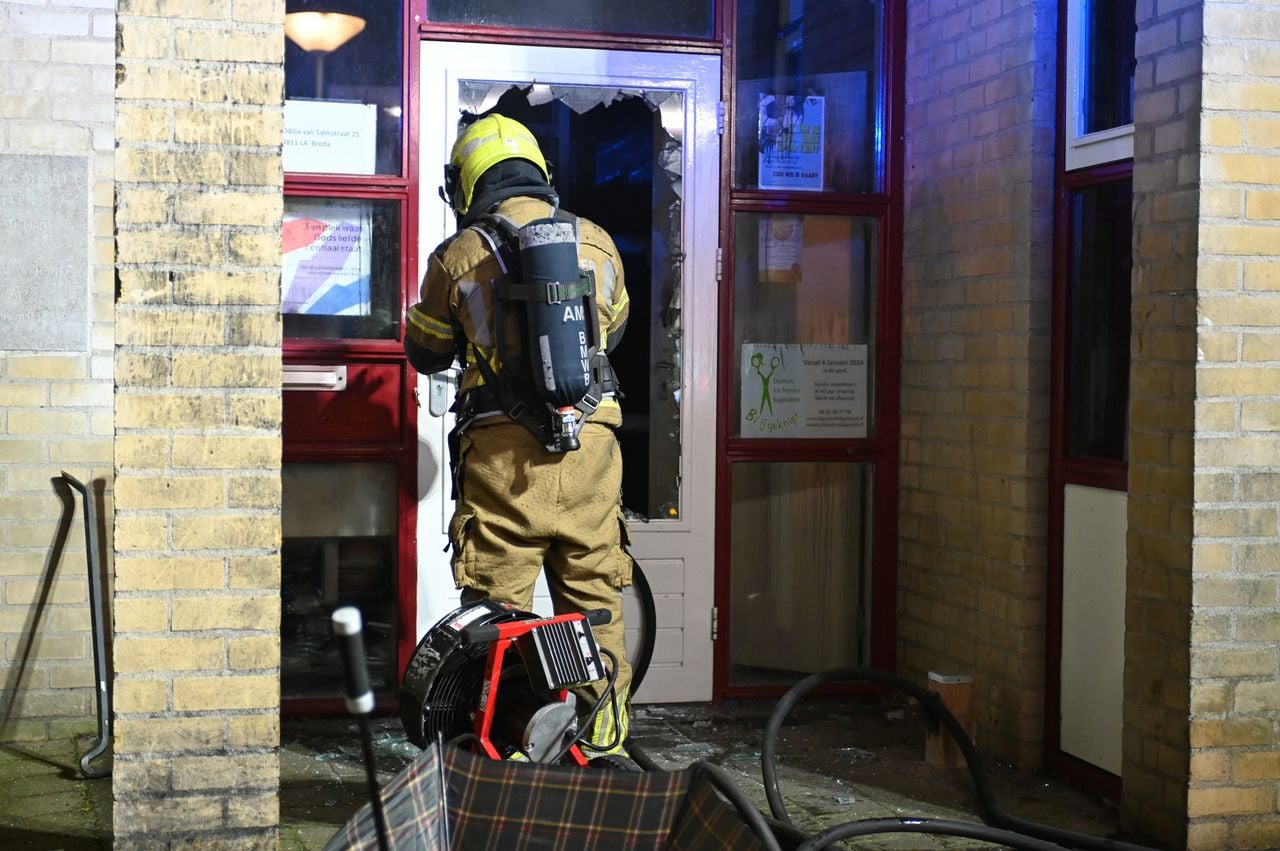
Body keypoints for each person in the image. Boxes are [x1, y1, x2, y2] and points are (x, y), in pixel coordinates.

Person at [404, 113, 635, 763]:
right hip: (592, 444)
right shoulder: (598, 242)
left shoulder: (458, 256)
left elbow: (425, 350)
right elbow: (613, 330)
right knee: (592, 597)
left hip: (503, 456)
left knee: (501, 610)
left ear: (468, 182)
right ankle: (603, 749)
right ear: (539, 171)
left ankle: (507, 753)